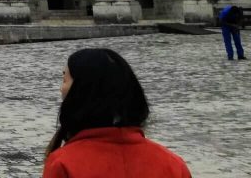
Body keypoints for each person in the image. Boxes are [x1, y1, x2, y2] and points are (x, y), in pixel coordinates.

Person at [43, 48, 191, 178]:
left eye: (64, 80)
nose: (60, 89)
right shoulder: (174, 165)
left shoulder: (63, 164)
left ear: (80, 92)